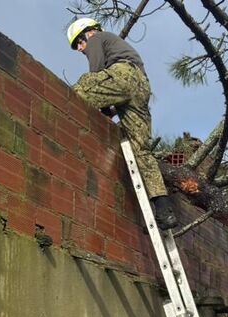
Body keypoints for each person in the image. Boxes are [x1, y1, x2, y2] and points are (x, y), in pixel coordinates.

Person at [67, 17, 178, 230]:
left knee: (82, 87)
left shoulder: (97, 38)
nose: (81, 49)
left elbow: (97, 73)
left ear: (88, 33)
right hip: (141, 87)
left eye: (79, 43)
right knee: (141, 150)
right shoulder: (118, 45)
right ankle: (164, 210)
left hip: (123, 76)